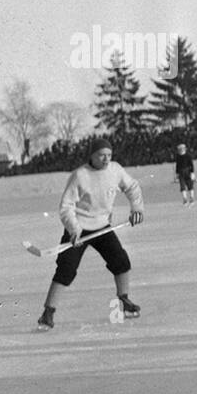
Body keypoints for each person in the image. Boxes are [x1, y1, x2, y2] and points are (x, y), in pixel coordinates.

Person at [37, 137, 145, 330]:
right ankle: (48, 313)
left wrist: (136, 208)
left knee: (121, 261)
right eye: (102, 155)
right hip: (79, 228)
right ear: (92, 156)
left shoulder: (115, 170)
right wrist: (74, 229)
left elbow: (132, 187)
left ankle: (124, 300)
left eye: (109, 155)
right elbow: (66, 206)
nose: (106, 159)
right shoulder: (80, 175)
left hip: (103, 227)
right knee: (66, 269)